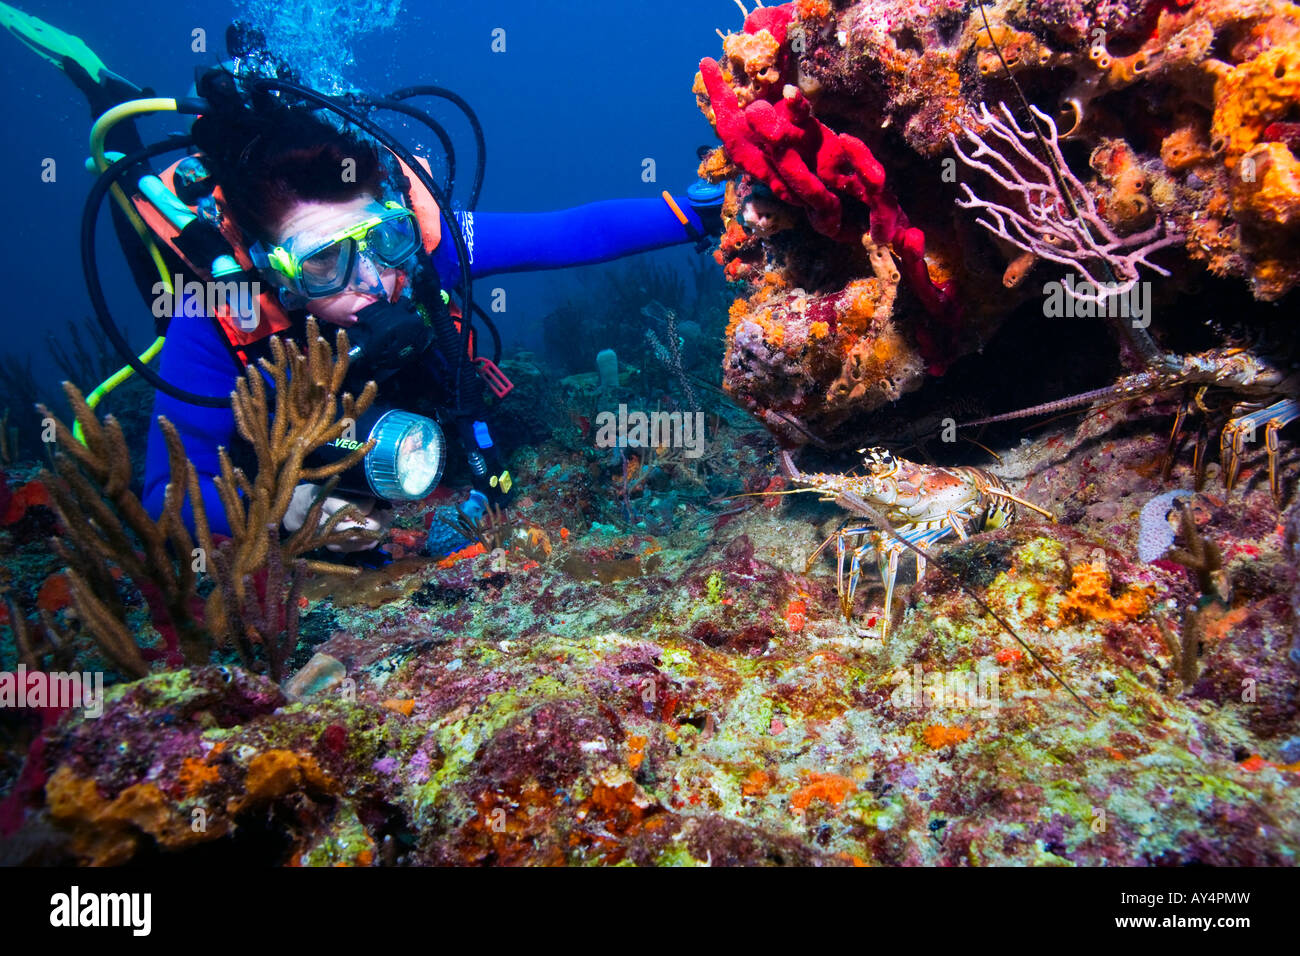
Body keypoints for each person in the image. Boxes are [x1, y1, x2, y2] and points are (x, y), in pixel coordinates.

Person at [5, 7, 724, 556]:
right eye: (323, 263)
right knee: (140, 210)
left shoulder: (421, 247)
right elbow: (168, 492)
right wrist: (290, 515)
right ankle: (107, 97)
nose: (376, 279)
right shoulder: (218, 314)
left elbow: (571, 233)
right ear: (269, 268)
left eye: (380, 240)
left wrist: (693, 210)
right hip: (278, 454)